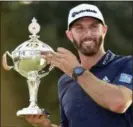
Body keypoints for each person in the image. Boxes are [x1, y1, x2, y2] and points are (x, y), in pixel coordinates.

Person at [25, 3, 133, 127]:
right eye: (79, 28)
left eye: (93, 27)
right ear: (70, 35)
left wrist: (76, 71)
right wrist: (45, 125)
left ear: (104, 30)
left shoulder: (126, 64)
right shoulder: (65, 81)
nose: (87, 34)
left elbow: (119, 103)